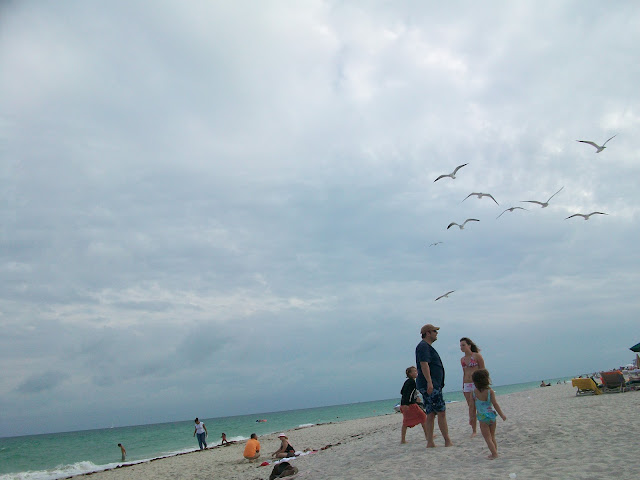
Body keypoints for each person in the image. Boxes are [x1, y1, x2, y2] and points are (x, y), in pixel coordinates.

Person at [416, 323, 452, 447]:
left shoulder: (426, 347)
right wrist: (430, 382)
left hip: (431, 384)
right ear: (428, 333)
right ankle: (447, 440)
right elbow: (424, 364)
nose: (437, 333)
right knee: (441, 412)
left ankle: (430, 442)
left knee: (431, 413)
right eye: (434, 331)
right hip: (430, 384)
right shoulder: (423, 346)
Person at [472, 369, 507, 459]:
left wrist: (472, 418)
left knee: (487, 438)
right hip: (492, 416)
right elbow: (495, 404)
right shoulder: (489, 391)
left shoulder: (474, 393)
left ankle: (494, 454)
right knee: (492, 437)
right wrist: (502, 415)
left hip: (483, 418)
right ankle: (494, 452)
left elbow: (472, 407)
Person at [460, 337, 485, 438]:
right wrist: (463, 385)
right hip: (467, 384)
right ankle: (474, 430)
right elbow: (464, 372)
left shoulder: (477, 356)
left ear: (469, 345)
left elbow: (483, 369)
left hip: (476, 383)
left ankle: (484, 427)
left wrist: (483, 384)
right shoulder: (462, 359)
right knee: (471, 407)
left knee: (479, 406)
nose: (461, 347)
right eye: (460, 346)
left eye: (463, 345)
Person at [400, 366, 429, 445]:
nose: (416, 372)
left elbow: (402, 392)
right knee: (423, 417)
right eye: (414, 371)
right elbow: (407, 394)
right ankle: (428, 436)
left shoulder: (407, 382)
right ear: (410, 373)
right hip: (409, 405)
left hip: (406, 404)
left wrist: (415, 398)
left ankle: (403, 440)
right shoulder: (412, 382)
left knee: (406, 422)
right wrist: (408, 403)